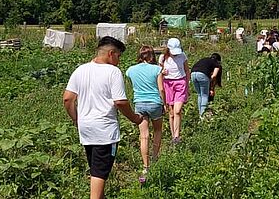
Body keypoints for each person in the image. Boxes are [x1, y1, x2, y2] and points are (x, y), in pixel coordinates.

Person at [63, 36, 143, 199]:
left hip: (86, 128)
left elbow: (68, 99)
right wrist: (135, 118)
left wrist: (76, 119)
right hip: (104, 131)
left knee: (96, 172)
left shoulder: (81, 70)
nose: (119, 61)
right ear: (111, 53)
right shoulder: (113, 72)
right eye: (118, 56)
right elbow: (120, 102)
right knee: (99, 176)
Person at [126, 46, 164, 184]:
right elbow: (161, 88)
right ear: (152, 56)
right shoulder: (157, 69)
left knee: (144, 135)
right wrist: (164, 103)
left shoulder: (130, 70)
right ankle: (154, 157)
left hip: (139, 104)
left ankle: (145, 166)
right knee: (158, 130)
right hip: (154, 103)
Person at [159, 38, 190, 143]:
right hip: (168, 83)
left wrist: (187, 85)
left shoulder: (182, 56)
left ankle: (177, 135)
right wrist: (163, 72)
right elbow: (159, 72)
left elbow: (186, 70)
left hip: (181, 83)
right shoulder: (163, 57)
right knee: (171, 112)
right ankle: (174, 136)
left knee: (177, 110)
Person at [191, 53, 222, 118]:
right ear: (218, 60)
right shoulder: (216, 64)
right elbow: (214, 76)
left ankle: (200, 114)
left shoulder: (205, 59)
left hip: (193, 74)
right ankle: (203, 116)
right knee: (205, 95)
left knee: (200, 95)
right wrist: (211, 86)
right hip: (202, 75)